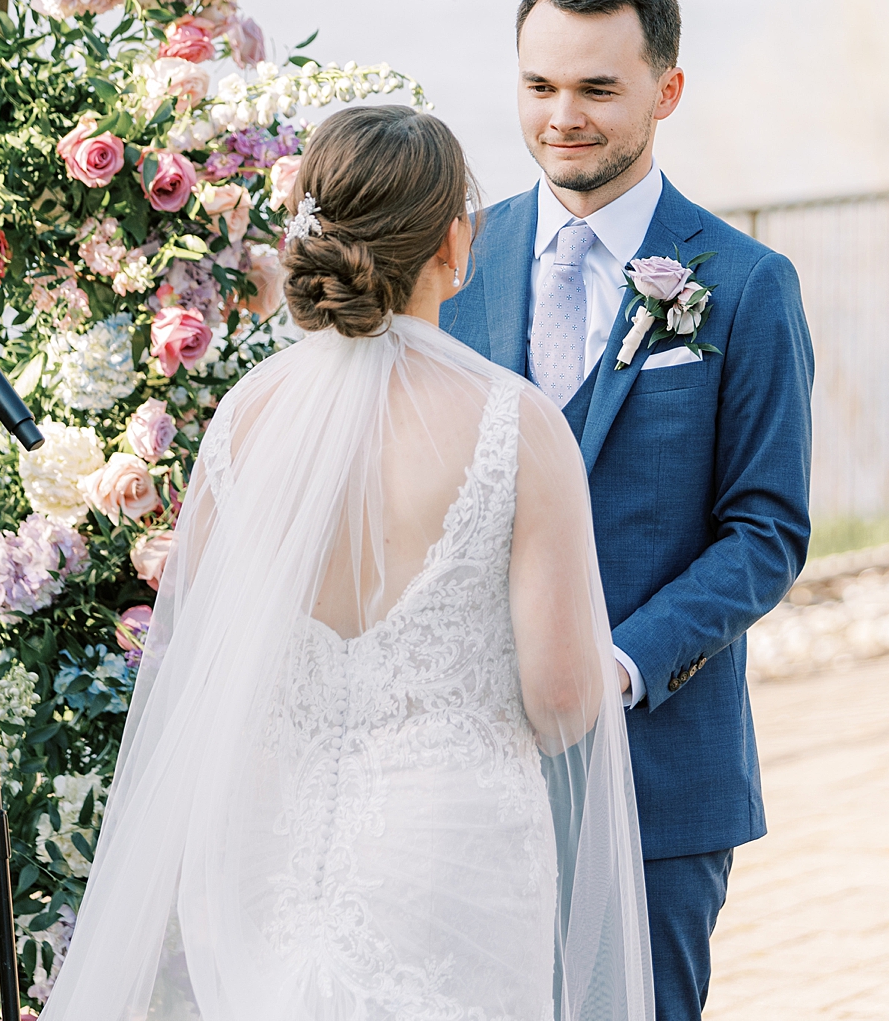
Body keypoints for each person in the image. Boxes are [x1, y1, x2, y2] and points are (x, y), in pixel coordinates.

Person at [41, 106, 653, 1020]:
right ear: (456, 239)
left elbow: (194, 654)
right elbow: (562, 700)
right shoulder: (514, 426)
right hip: (455, 850)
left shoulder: (248, 417)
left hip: (267, 850)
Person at [441, 0, 814, 1021]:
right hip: (470, 771)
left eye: (596, 90)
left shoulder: (743, 286)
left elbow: (764, 532)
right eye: (538, 86)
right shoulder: (456, 256)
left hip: (657, 774)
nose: (562, 117)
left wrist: (615, 665)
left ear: (665, 91)